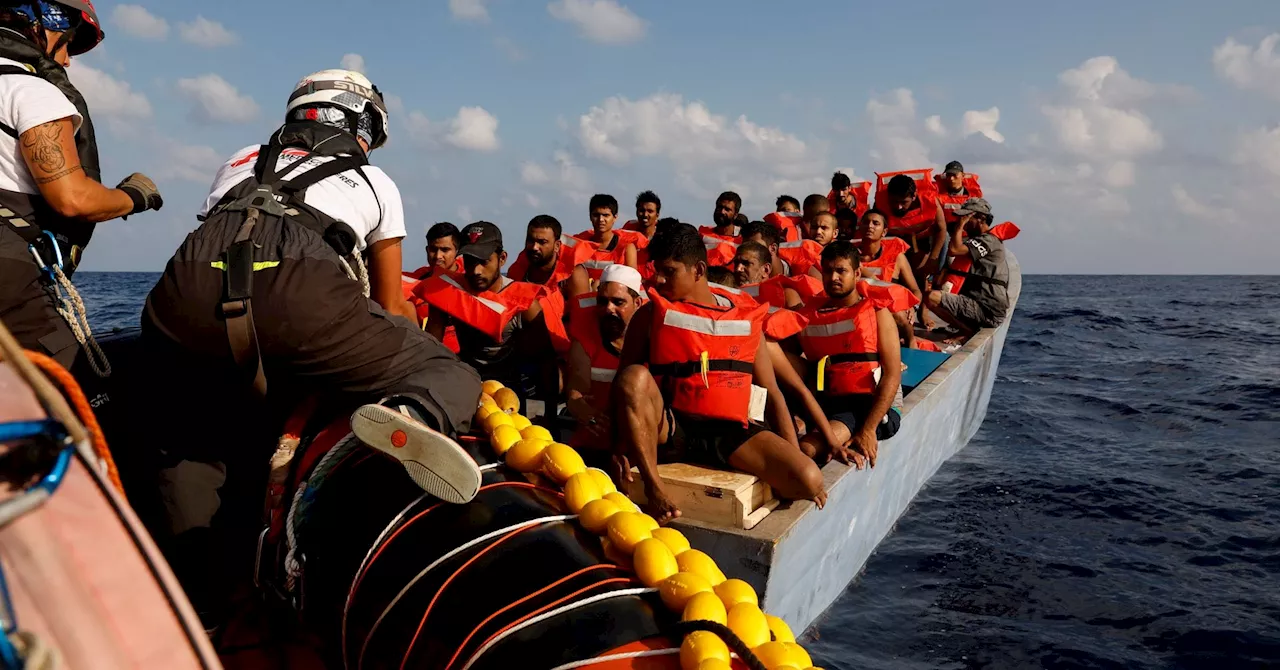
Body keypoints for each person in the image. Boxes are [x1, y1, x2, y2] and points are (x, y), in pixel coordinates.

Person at [141, 68, 483, 626]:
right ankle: (409, 414)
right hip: (301, 292)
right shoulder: (373, 181)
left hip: (185, 291)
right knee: (449, 374)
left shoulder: (240, 158)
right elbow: (393, 303)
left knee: (189, 440)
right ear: (361, 124)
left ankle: (198, 601)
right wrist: (409, 353)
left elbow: (229, 242)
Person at [611, 223, 825, 523]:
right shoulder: (649, 315)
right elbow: (623, 387)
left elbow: (773, 391)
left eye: (669, 271)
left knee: (809, 479)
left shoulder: (742, 316)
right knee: (634, 376)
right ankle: (654, 487)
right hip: (673, 427)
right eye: (657, 270)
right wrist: (618, 447)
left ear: (698, 270)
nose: (658, 280)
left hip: (729, 432)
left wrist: (795, 455)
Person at [0, 0, 163, 370]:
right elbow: (73, 200)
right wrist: (136, 196)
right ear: (43, 20)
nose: (68, 60)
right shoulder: (29, 91)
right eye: (68, 41)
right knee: (75, 389)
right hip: (9, 275)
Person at [792, 241, 903, 467]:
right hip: (826, 397)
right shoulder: (810, 315)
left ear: (857, 273)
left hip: (866, 404)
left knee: (807, 448)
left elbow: (892, 375)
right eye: (828, 271)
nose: (833, 277)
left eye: (841, 271)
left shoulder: (876, 313)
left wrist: (868, 430)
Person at [421, 221, 555, 394]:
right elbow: (431, 351)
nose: (476, 270)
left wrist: (550, 417)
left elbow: (546, 360)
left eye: (484, 262)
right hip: (465, 386)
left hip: (507, 392)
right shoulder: (450, 292)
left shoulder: (524, 304)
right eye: (470, 261)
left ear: (502, 259)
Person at [565, 264, 643, 452]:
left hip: (639, 438)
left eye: (618, 302)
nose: (608, 309)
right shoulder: (584, 341)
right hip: (596, 438)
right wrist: (591, 417)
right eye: (602, 301)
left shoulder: (651, 337)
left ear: (637, 304)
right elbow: (575, 395)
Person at [925, 198, 1010, 336]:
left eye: (966, 218)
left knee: (932, 297)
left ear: (981, 218)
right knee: (932, 294)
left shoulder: (989, 240)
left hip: (988, 310)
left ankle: (966, 332)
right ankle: (963, 328)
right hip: (977, 303)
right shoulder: (976, 240)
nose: (963, 223)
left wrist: (959, 227)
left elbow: (954, 249)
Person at [403, 221, 462, 349]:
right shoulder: (418, 279)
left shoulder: (469, 281)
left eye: (445, 250)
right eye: (433, 249)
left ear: (457, 251)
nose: (438, 256)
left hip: (463, 356)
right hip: (425, 351)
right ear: (427, 249)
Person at [878, 173, 946, 276]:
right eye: (894, 202)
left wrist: (933, 259)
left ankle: (936, 276)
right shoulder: (880, 204)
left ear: (914, 196)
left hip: (922, 236)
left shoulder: (930, 200)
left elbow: (942, 228)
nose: (898, 207)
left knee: (946, 238)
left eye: (904, 202)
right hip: (895, 239)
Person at [506, 214, 594, 290]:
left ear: (557, 246)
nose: (534, 247)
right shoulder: (516, 271)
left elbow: (581, 309)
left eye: (542, 242)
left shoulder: (574, 274)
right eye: (530, 241)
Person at [573, 193, 638, 281]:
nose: (601, 220)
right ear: (590, 216)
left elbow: (632, 282)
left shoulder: (626, 248)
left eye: (606, 215)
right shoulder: (579, 243)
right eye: (596, 215)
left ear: (615, 217)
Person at [935, 161, 982, 225]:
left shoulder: (973, 198)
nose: (951, 178)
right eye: (948, 175)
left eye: (954, 175)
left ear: (963, 175)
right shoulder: (937, 196)